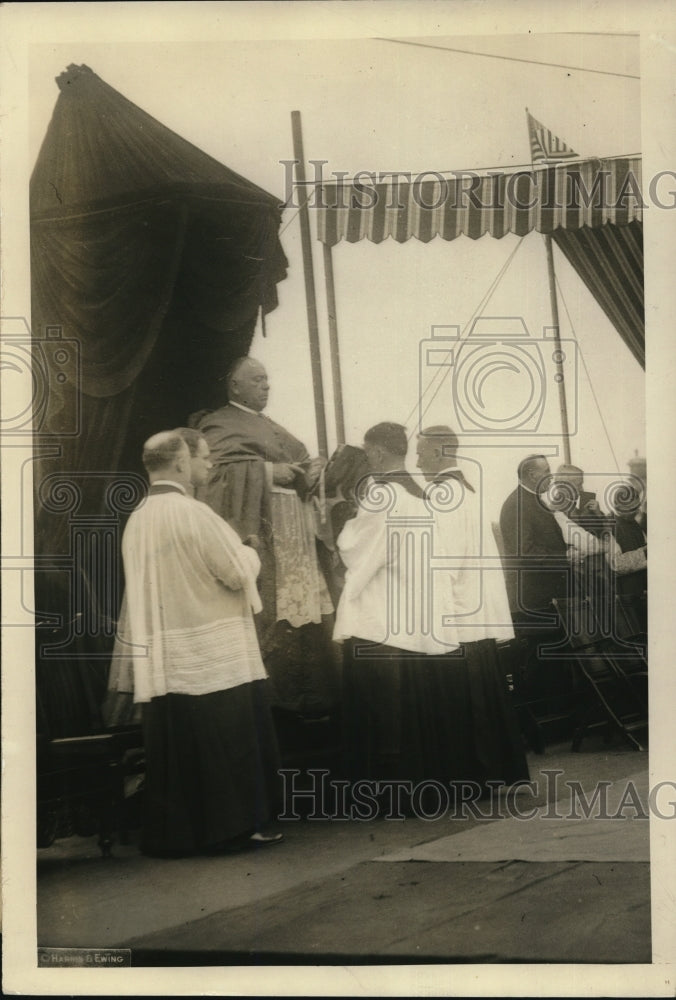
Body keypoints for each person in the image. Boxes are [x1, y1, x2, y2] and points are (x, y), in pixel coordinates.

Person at [119, 429, 282, 856]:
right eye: (204, 458)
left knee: (182, 745)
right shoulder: (195, 514)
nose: (209, 465)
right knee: (226, 740)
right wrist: (250, 549)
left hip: (165, 655)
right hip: (213, 654)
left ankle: (181, 835)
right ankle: (237, 828)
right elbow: (235, 573)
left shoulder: (137, 519)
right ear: (179, 463)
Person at [192, 357, 338, 719]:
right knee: (273, 612)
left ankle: (313, 697)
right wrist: (268, 472)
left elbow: (299, 465)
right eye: (257, 380)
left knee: (306, 614)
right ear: (235, 386)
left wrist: (312, 469)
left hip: (297, 536)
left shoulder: (270, 425)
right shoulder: (219, 423)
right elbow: (213, 478)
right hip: (266, 537)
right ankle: (277, 701)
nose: (266, 386)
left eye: (268, 380)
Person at [499, 454, 570, 622]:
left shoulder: (532, 501)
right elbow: (526, 551)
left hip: (541, 598)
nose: (551, 477)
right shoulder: (517, 505)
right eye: (547, 471)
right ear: (532, 475)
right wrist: (565, 557)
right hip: (531, 603)